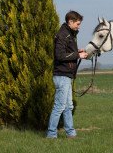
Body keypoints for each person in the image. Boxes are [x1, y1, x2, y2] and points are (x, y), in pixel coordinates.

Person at [46, 10, 88, 139]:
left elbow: (67, 52)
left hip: (66, 76)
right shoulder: (62, 35)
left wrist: (77, 50)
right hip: (62, 76)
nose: (78, 26)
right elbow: (59, 55)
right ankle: (51, 134)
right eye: (77, 24)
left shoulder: (70, 34)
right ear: (70, 22)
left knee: (68, 106)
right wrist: (78, 55)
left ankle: (71, 133)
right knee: (59, 106)